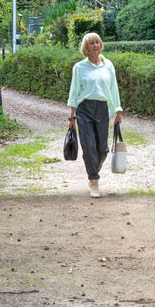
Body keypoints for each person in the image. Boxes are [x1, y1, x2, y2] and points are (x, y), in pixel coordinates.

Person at [67, 32, 122, 198]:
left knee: (102, 149)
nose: (96, 45)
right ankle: (94, 180)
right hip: (84, 109)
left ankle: (93, 170)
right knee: (89, 145)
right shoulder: (79, 68)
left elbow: (113, 89)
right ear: (86, 48)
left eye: (98, 42)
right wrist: (72, 117)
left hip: (102, 108)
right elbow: (74, 92)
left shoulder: (108, 65)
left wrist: (118, 111)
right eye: (92, 43)